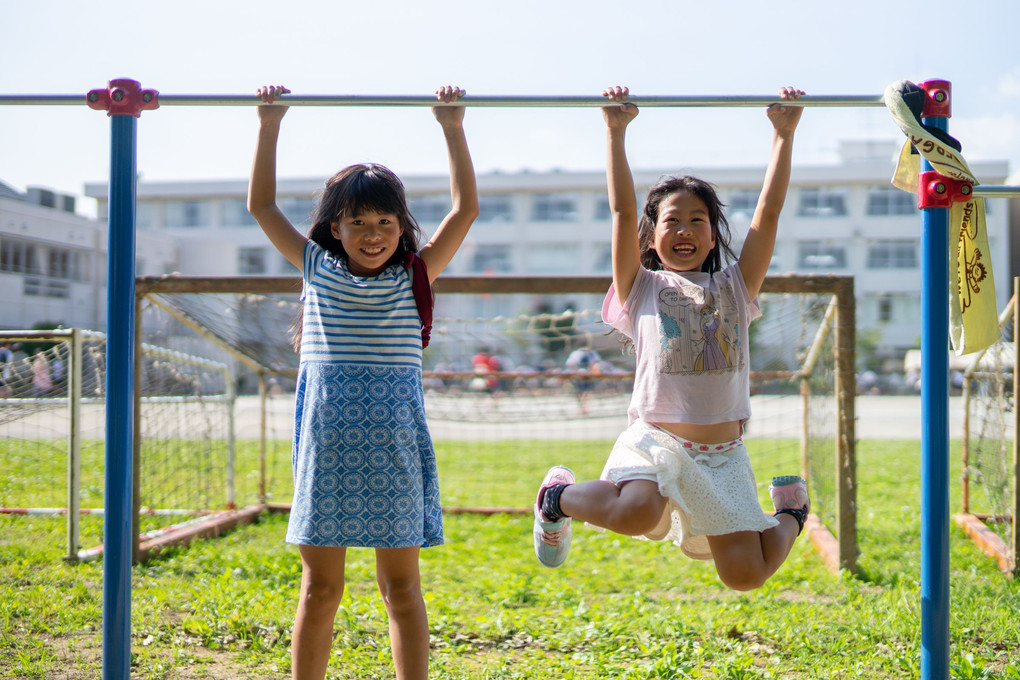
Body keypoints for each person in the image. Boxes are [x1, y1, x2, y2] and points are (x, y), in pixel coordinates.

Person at [532, 85, 809, 592]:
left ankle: (792, 513)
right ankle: (556, 498)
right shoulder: (641, 286)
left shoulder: (736, 285)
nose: (684, 229)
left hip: (722, 453)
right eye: (671, 221)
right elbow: (619, 212)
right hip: (656, 441)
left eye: (696, 220)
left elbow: (767, 214)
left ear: (712, 232)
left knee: (745, 576)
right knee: (637, 512)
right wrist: (615, 133)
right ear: (653, 235)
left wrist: (783, 135)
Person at [248, 83, 478, 680]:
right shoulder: (315, 269)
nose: (372, 233)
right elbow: (262, 208)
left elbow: (466, 210)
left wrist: (451, 125)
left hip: (392, 449)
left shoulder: (416, 274)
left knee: (400, 587)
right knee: (320, 589)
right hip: (327, 452)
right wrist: (269, 121)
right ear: (335, 227)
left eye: (384, 221)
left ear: (402, 226)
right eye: (357, 222)